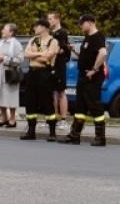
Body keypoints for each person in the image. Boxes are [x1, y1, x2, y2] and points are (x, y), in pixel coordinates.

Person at [64, 14, 109, 146]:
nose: (81, 26)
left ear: (89, 23)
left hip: (92, 77)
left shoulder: (98, 36)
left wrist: (94, 70)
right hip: (83, 77)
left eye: (82, 24)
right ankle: (75, 135)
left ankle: (100, 138)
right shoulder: (88, 38)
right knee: (80, 107)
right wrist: (75, 52)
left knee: (94, 106)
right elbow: (88, 56)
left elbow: (103, 53)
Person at [19, 19, 61, 141]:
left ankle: (52, 133)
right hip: (32, 72)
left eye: (37, 26)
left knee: (47, 102)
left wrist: (35, 54)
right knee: (30, 102)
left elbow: (48, 57)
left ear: (44, 28)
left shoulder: (53, 41)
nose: (35, 28)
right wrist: (40, 54)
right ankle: (31, 132)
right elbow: (26, 54)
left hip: (45, 73)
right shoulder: (33, 40)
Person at [0, 23, 24, 128]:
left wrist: (4, 59)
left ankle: (12, 120)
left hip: (9, 74)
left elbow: (20, 60)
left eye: (4, 30)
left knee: (11, 97)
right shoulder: (0, 43)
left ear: (11, 32)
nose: (2, 31)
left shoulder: (16, 44)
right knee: (0, 96)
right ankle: (4, 118)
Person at [46, 11, 73, 122]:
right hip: (51, 66)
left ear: (57, 19)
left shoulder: (62, 33)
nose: (49, 21)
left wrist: (59, 51)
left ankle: (63, 118)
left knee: (61, 92)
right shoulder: (51, 34)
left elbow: (62, 49)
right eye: (48, 19)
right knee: (53, 92)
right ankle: (54, 117)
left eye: (51, 19)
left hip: (59, 66)